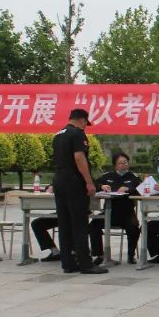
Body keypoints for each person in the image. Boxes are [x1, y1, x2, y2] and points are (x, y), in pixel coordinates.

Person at [51, 109, 107, 275]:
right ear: (82, 120)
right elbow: (79, 157)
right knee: (79, 223)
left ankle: (68, 263)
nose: (85, 127)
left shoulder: (58, 135)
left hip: (59, 179)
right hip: (74, 180)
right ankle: (85, 264)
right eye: (85, 124)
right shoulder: (77, 134)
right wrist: (89, 182)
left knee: (64, 223)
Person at [89, 152, 142, 265]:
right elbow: (94, 184)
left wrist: (128, 189)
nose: (124, 165)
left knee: (134, 227)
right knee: (93, 225)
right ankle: (99, 255)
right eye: (120, 163)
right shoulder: (108, 176)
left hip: (127, 213)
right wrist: (101, 186)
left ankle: (130, 255)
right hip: (109, 212)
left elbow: (140, 190)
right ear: (115, 165)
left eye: (125, 162)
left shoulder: (134, 177)